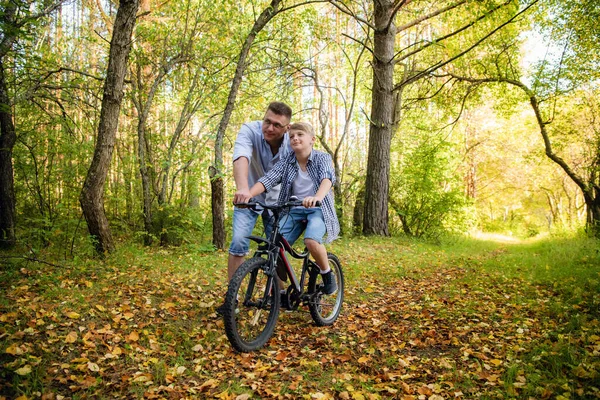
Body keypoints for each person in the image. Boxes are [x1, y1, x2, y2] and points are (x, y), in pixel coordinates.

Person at [242, 121, 340, 295]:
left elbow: (327, 179)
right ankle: (282, 291)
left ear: (312, 139)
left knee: (311, 241)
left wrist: (316, 197)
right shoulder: (287, 161)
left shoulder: (322, 158)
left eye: (300, 135)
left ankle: (327, 274)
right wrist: (248, 194)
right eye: (292, 136)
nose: (295, 138)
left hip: (318, 209)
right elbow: (268, 179)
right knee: (275, 247)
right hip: (293, 209)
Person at [216, 102, 292, 315]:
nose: (269, 128)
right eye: (267, 121)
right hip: (249, 198)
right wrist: (243, 190)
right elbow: (241, 157)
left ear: (286, 128)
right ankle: (233, 299)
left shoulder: (291, 141)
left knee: (278, 249)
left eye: (277, 125)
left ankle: (280, 293)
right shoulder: (249, 130)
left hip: (278, 201)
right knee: (239, 241)